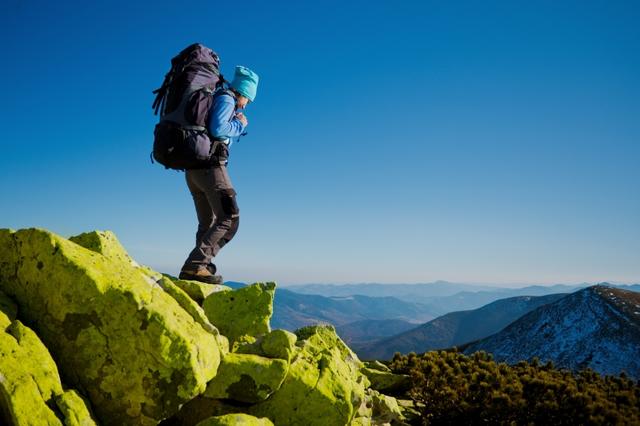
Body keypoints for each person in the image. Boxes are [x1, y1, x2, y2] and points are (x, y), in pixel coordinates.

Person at [178, 65, 259, 284]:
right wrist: (239, 124)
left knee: (207, 222)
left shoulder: (218, 97)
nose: (247, 105)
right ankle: (195, 267)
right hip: (211, 168)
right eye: (249, 100)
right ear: (243, 92)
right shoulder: (226, 99)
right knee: (229, 218)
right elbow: (217, 128)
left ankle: (198, 272)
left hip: (194, 171)